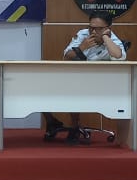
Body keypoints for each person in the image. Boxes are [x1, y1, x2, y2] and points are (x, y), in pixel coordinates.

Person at [44, 11, 128, 144]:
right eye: (91, 27)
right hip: (77, 78)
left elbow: (119, 56)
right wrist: (82, 47)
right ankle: (53, 122)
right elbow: (66, 56)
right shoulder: (83, 34)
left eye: (98, 29)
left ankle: (74, 126)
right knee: (43, 87)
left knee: (74, 89)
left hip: (102, 83)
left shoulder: (113, 39)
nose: (93, 32)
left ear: (108, 28)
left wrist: (105, 38)